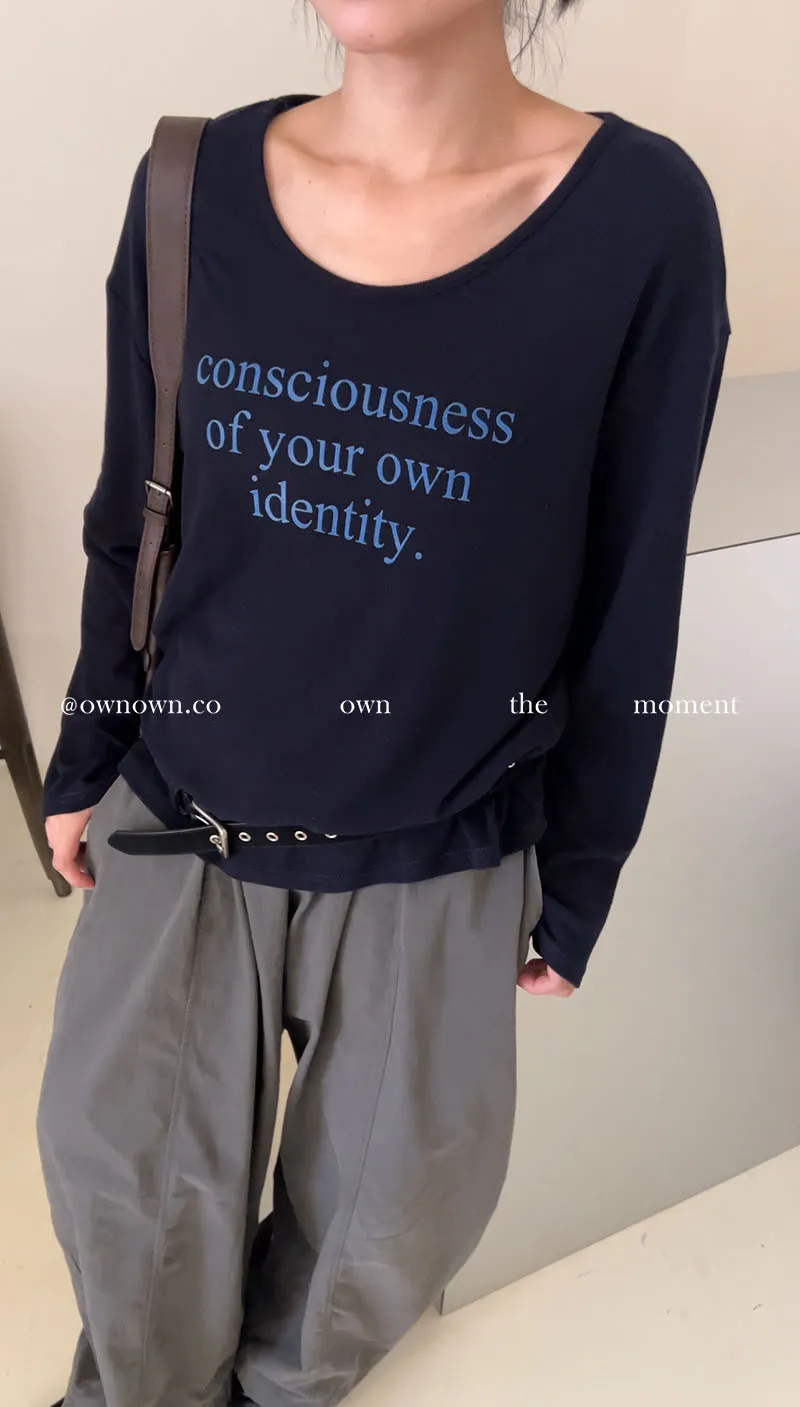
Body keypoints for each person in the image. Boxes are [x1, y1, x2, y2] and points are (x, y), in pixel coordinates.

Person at [37, 1, 731, 1404]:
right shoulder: (190, 182)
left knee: (381, 1234)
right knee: (126, 1220)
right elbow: (140, 508)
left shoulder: (639, 219)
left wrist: (582, 870)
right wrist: (87, 747)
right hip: (179, 822)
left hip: (441, 852)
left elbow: (631, 584)